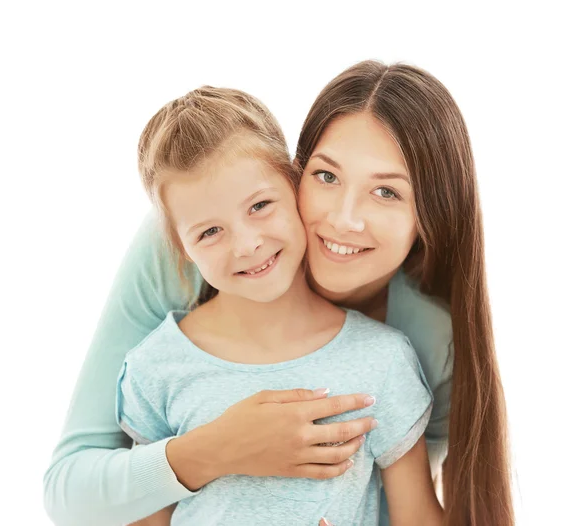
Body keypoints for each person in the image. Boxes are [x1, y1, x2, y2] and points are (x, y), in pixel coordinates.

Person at [43, 60, 513, 526]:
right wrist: (219, 447)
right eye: (327, 176)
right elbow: (113, 505)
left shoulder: (397, 357)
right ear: (300, 174)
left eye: (387, 192)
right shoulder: (159, 360)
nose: (246, 243)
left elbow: (409, 514)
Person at [116, 85, 441, 526]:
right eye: (210, 232)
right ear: (181, 246)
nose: (248, 245)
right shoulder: (156, 368)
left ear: (295, 185)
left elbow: (418, 518)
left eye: (261, 206)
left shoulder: (382, 360)